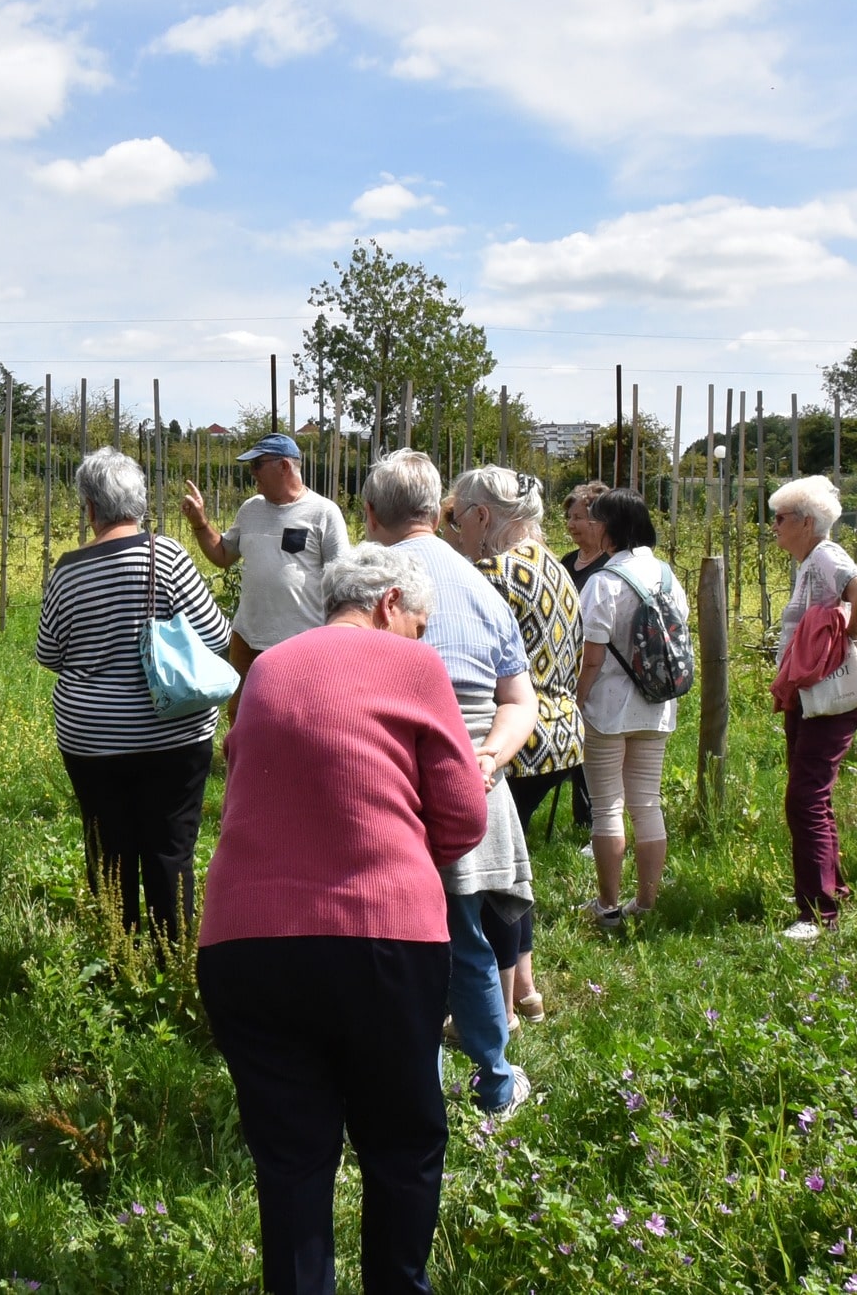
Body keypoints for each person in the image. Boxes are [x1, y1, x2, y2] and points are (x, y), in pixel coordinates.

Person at [199, 544, 489, 1295]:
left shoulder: (266, 667)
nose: (421, 640)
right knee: (402, 1140)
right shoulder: (414, 667)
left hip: (247, 941)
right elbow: (463, 817)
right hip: (381, 936)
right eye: (420, 624)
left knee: (291, 1156)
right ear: (392, 603)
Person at [362, 449, 535, 1117]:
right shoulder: (481, 585)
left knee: (392, 940)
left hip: (383, 777)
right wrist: (487, 758)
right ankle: (493, 1082)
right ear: (439, 512)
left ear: (371, 513)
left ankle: (414, 1081)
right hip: (467, 780)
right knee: (463, 933)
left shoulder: (360, 579)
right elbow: (521, 701)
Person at [37, 448, 230, 940]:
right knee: (170, 849)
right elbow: (216, 636)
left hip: (94, 739)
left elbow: (49, 653)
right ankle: (173, 957)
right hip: (175, 734)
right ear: (140, 504)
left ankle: (118, 952)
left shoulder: (66, 571)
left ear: (91, 508)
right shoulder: (167, 557)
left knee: (109, 849)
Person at [447, 466, 583, 1024]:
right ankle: (525, 989)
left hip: (516, 737)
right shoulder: (551, 562)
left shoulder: (492, 573)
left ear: (483, 516)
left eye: (458, 519)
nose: (455, 531)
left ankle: (496, 1008)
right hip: (561, 730)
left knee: (497, 878)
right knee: (516, 866)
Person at [767, 476, 857, 941]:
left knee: (804, 798)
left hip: (829, 697)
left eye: (779, 518)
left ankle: (817, 914)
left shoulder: (826, 556)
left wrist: (851, 637)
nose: (772, 526)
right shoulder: (810, 563)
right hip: (810, 695)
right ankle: (831, 889)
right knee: (813, 794)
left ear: (807, 523)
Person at [574, 488, 688, 929]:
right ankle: (645, 903)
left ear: (609, 528)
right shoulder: (666, 575)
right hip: (656, 705)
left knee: (607, 807)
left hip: (607, 708)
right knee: (646, 803)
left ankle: (607, 906)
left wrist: (576, 699)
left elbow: (593, 657)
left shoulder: (603, 582)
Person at [178, 433, 348, 711]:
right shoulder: (251, 509)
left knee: (294, 715)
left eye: (257, 465)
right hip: (247, 637)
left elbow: (342, 580)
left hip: (299, 642)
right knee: (241, 714)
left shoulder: (323, 513)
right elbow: (222, 556)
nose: (251, 473)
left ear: (283, 466)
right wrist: (200, 523)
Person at [556, 480, 610, 833]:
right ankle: (579, 819)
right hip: (565, 662)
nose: (573, 525)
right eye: (569, 517)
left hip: (599, 665)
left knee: (596, 745)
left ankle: (591, 818)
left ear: (601, 522)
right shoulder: (565, 562)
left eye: (581, 518)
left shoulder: (608, 566)